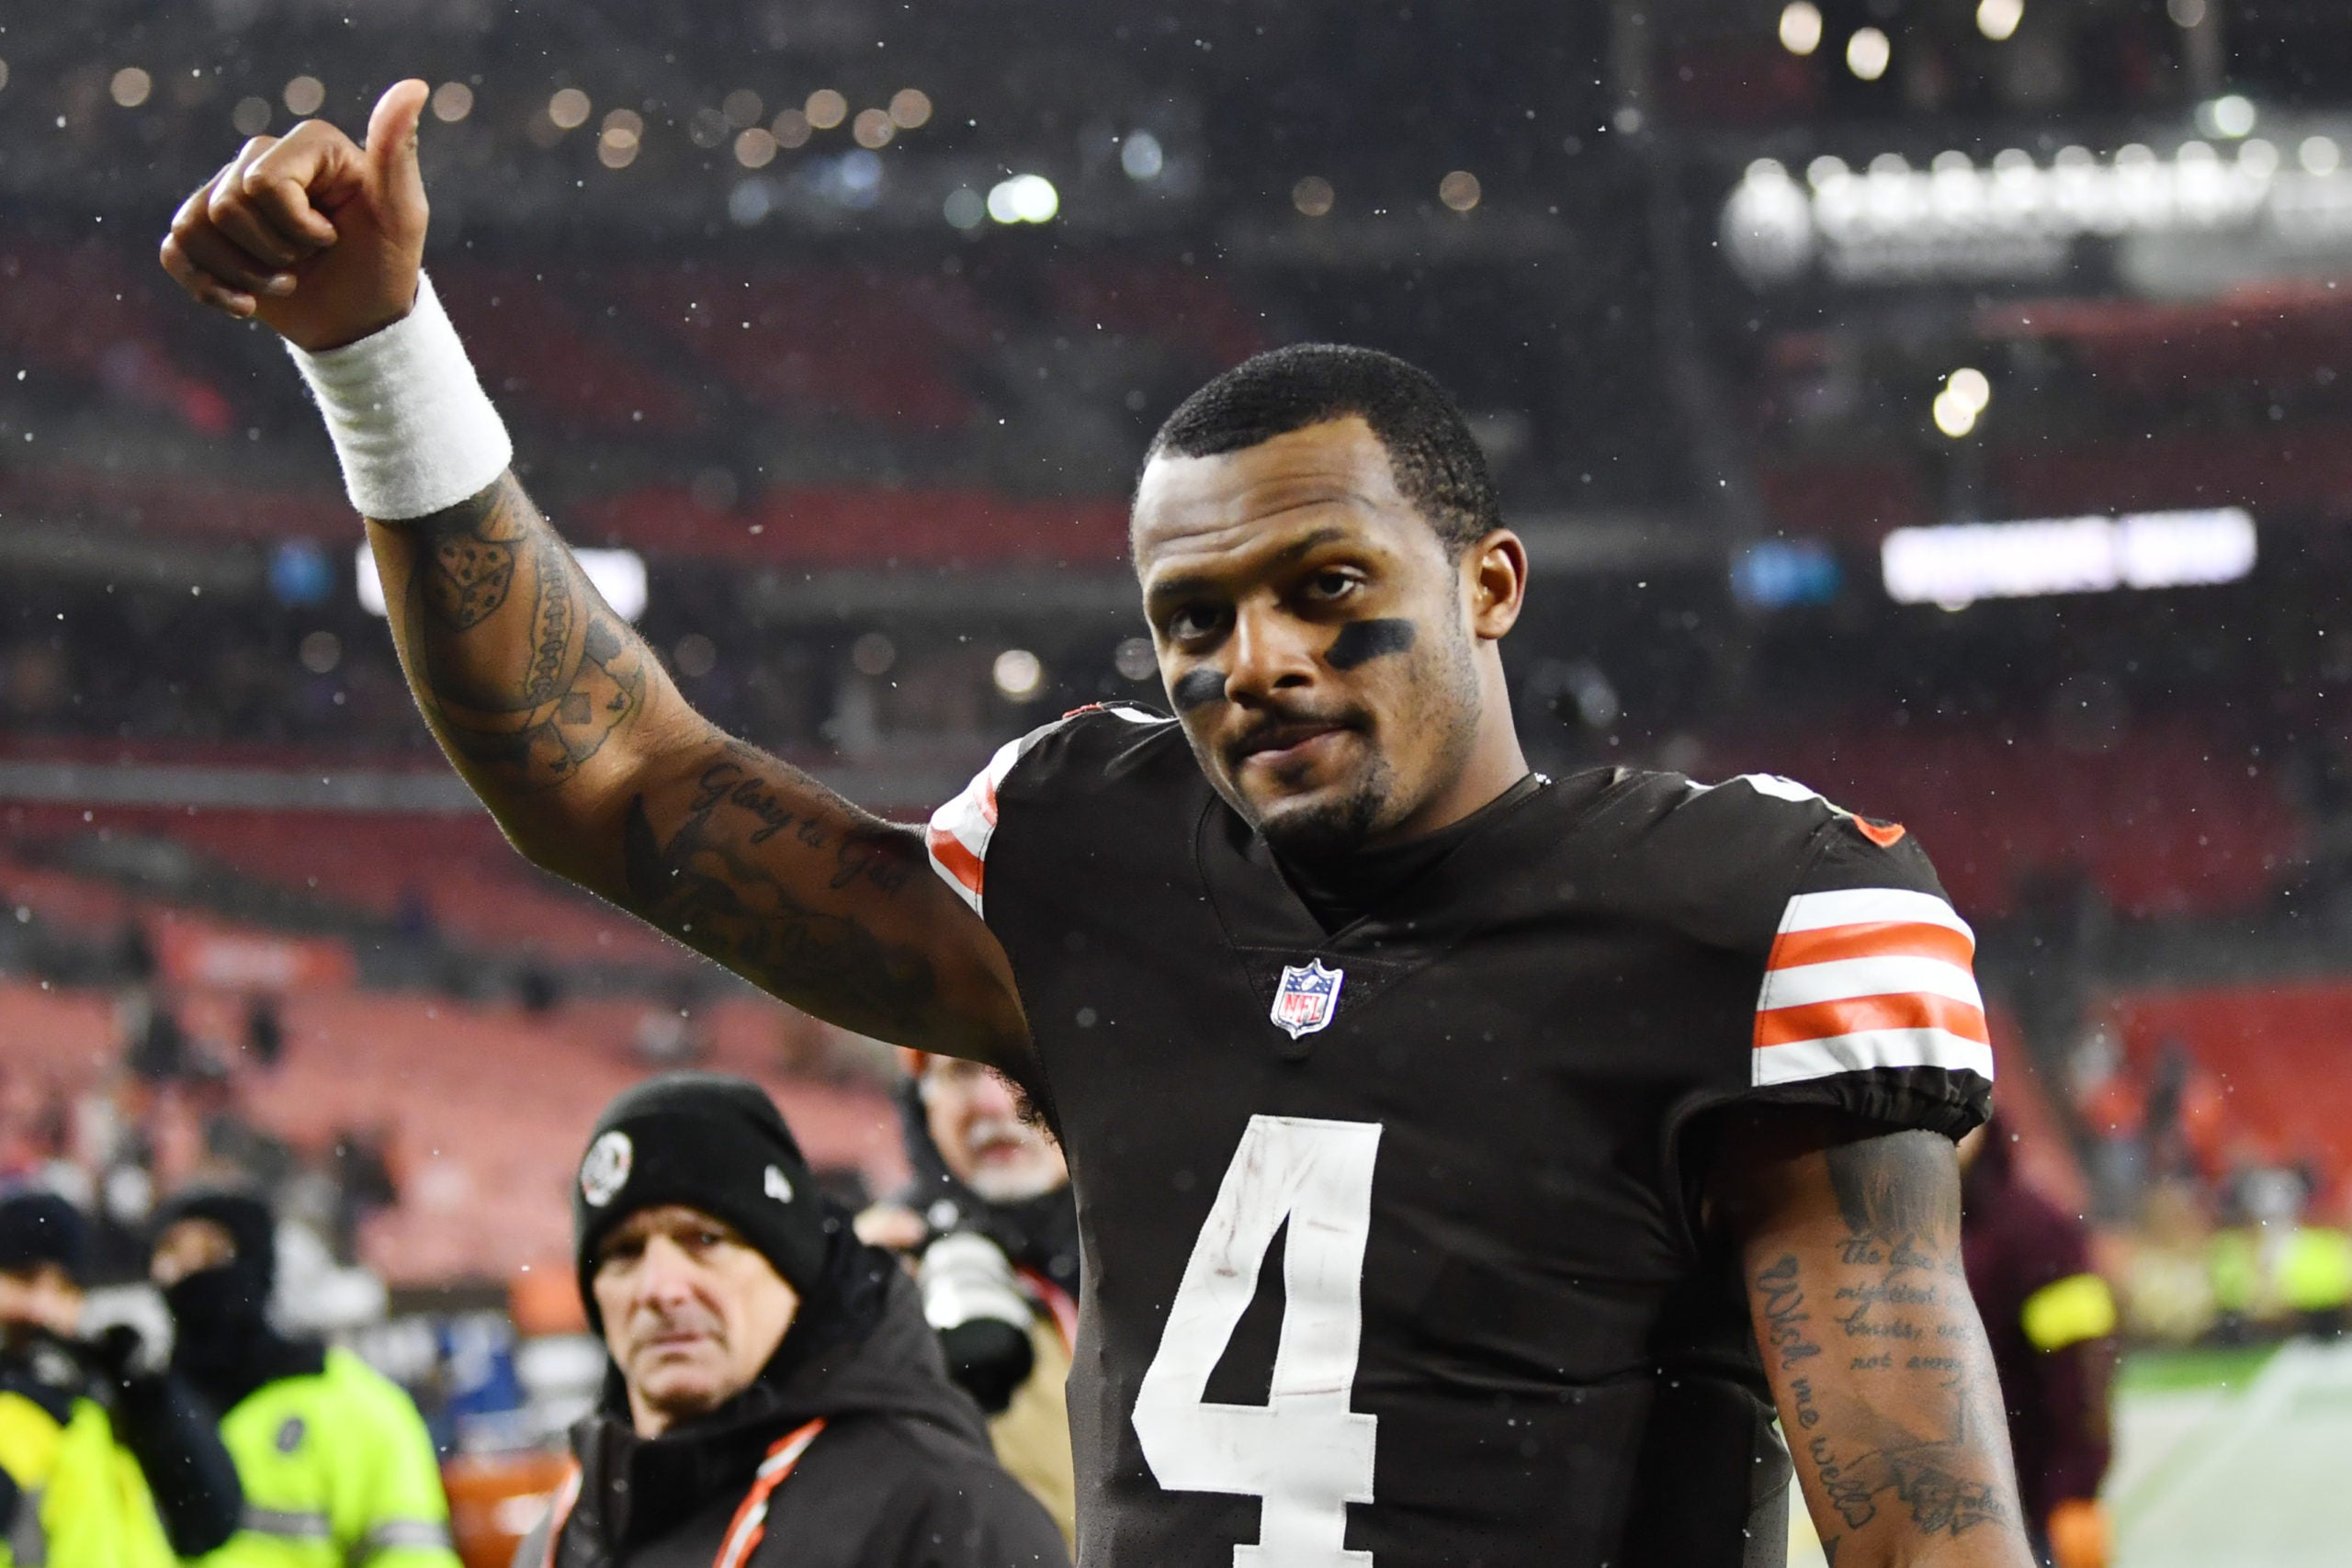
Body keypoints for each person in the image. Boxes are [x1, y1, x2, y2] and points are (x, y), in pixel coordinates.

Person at [161, 84, 2030, 1568]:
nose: (1258, 660)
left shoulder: (1743, 911)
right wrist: (378, 354)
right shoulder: (1093, 855)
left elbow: (1924, 1532)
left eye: (1322, 585)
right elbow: (623, 787)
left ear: (1490, 583)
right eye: (1194, 618)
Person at [511, 1072, 1068, 1568]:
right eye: (624, 1252)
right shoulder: (561, 1537)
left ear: (792, 1272)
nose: (660, 1289)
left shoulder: (941, 1514)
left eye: (705, 1240)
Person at [149, 1187, 460, 1567]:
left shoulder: (354, 1407)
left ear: (255, 1264)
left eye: (211, 1254)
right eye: (172, 1256)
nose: (188, 1275)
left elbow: (409, 1556)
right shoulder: (141, 1408)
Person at [861, 1054, 1080, 1546]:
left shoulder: (1180, 1257)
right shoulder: (872, 1270)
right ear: (922, 1099)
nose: (992, 1102)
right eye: (959, 1072)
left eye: (1021, 1071)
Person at [0, 1190, 243, 1565]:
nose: (42, 1308)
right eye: (22, 1279)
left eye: (66, 1288)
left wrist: (151, 1397)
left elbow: (212, 1521)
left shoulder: (92, 1401)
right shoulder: (34, 1410)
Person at [1958, 1124, 2117, 1568]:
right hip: (1949, 1513)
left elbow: (2084, 1364)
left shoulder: (2035, 1232)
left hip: (2029, 1508)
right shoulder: (1917, 1232)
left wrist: (2075, 1490)